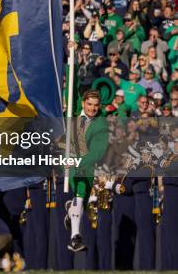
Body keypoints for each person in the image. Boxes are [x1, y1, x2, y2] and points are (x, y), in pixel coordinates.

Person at [67, 89, 109, 252]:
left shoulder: (101, 124)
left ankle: (71, 212)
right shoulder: (75, 109)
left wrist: (77, 163)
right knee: (80, 191)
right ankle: (75, 237)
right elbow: (73, 83)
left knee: (80, 199)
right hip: (66, 162)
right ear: (83, 103)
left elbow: (98, 152)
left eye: (96, 105)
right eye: (89, 104)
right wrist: (71, 64)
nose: (92, 108)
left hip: (84, 164)